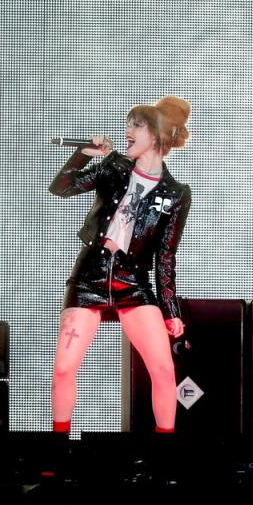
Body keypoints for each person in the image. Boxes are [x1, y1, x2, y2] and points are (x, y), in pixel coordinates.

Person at [48, 96, 192, 434]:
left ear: (154, 136)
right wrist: (85, 153)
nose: (127, 130)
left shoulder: (176, 194)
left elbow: (166, 256)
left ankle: (163, 459)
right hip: (90, 279)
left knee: (163, 370)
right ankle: (56, 452)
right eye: (128, 124)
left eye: (136, 125)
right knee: (64, 368)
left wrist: (170, 309)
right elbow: (61, 188)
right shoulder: (114, 166)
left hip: (134, 283)